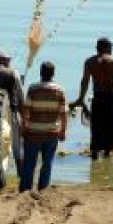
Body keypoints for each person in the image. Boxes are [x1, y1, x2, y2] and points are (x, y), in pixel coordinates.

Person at [72, 37, 113, 159]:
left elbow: (85, 81)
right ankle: (108, 153)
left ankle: (94, 153)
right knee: (111, 124)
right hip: (112, 97)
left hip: (98, 96)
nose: (111, 49)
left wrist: (81, 98)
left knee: (97, 125)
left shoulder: (90, 62)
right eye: (110, 47)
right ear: (105, 48)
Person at [19, 61, 68, 192]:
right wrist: (63, 131)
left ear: (41, 72)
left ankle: (25, 189)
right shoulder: (59, 90)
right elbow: (63, 113)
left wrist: (23, 127)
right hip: (52, 133)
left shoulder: (33, 89)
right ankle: (43, 188)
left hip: (33, 132)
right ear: (53, 73)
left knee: (29, 163)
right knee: (47, 163)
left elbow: (26, 111)